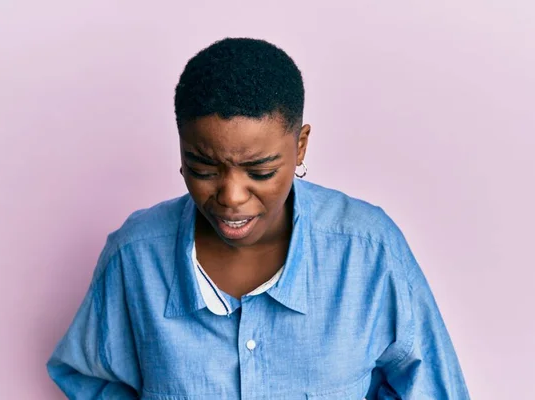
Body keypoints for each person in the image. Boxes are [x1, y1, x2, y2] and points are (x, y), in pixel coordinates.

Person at [47, 37, 470, 399]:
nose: (231, 197)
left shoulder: (369, 252)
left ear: (300, 146)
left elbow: (430, 386)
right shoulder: (134, 256)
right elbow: (86, 374)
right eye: (203, 168)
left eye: (261, 172)